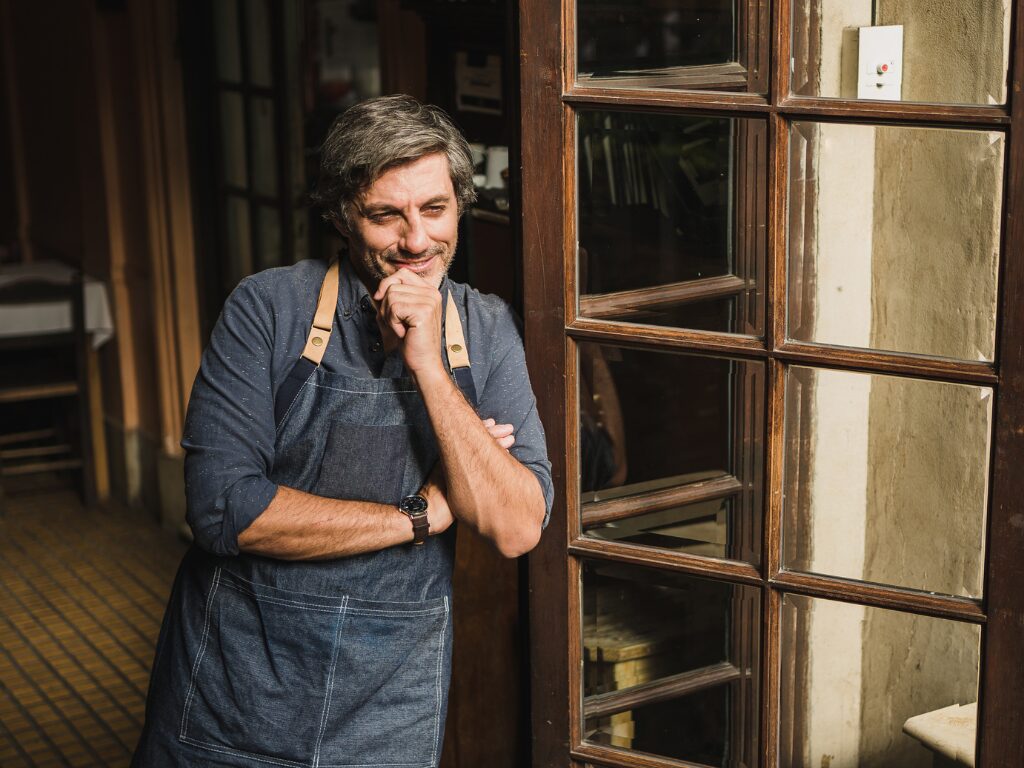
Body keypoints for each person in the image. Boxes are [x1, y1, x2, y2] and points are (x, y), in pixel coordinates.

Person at [132, 94, 552, 767]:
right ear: (340, 215)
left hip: (389, 703)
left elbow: (516, 526)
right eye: (387, 215)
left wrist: (430, 368)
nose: (417, 241)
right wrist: (424, 513)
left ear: (460, 207)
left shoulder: (488, 330)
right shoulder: (268, 309)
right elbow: (222, 511)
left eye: (435, 210)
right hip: (238, 688)